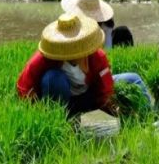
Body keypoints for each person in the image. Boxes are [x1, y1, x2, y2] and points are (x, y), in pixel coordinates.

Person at [16, 12, 150, 116]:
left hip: (88, 96)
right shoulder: (47, 56)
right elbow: (24, 86)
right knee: (53, 78)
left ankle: (151, 118)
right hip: (63, 100)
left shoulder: (96, 57)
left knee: (133, 79)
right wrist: (36, 108)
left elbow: (105, 88)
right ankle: (60, 120)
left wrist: (113, 108)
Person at [61, 0, 135, 49]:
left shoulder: (101, 25)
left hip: (101, 48)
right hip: (103, 44)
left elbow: (107, 46)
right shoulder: (103, 24)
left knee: (122, 31)